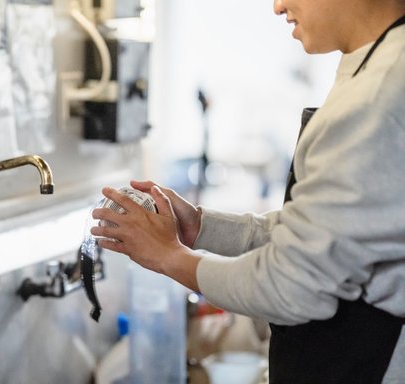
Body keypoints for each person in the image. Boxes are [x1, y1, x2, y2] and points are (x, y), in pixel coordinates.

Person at [90, 0, 405, 382]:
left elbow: (291, 286)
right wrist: (201, 227)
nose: (278, 5)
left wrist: (170, 257)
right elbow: (321, 235)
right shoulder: (375, 67)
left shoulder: (379, 96)